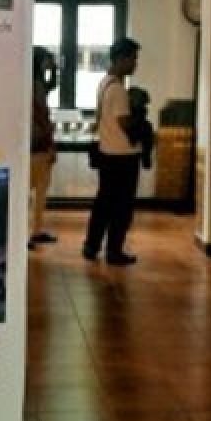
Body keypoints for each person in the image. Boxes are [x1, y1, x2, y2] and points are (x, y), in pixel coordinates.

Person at [83, 37, 142, 265]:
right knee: (121, 206)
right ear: (121, 59)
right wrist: (141, 125)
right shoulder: (117, 89)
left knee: (103, 202)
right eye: (133, 59)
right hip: (123, 156)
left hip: (107, 152)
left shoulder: (104, 82)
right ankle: (114, 250)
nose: (135, 64)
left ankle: (91, 245)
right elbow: (124, 123)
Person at [29, 47, 58, 250]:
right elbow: (40, 112)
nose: (49, 63)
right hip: (39, 141)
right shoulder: (36, 84)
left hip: (32, 141)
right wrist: (50, 139)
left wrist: (54, 70)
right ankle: (34, 231)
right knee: (39, 189)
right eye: (48, 60)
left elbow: (51, 87)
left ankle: (33, 232)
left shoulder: (30, 81)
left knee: (34, 190)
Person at [126, 86, 155, 170]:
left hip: (136, 128)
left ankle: (146, 156)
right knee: (146, 129)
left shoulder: (140, 109)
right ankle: (146, 157)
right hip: (135, 129)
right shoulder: (139, 109)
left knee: (147, 129)